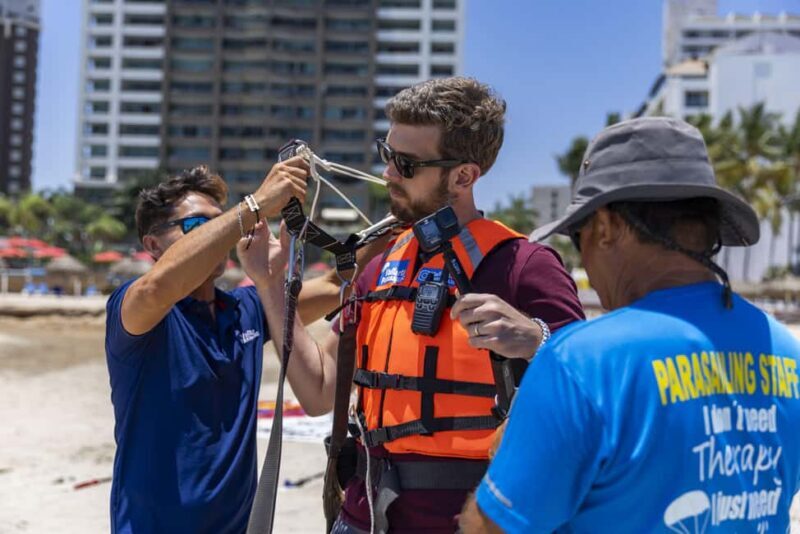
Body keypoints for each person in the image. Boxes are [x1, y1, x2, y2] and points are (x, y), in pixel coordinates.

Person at [241, 77, 584, 533]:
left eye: (405, 164)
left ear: (464, 176)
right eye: (388, 155)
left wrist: (537, 339)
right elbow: (318, 390)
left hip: (471, 520)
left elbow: (590, 387)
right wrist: (270, 284)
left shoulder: (525, 265)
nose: (388, 174)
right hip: (363, 513)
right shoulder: (380, 266)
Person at [459, 117, 800, 533]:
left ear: (604, 228)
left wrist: (509, 453)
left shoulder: (582, 362)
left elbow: (490, 527)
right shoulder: (785, 351)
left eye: (578, 236)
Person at [105, 162, 382, 533]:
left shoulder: (245, 308)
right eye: (197, 225)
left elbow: (337, 285)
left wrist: (408, 214)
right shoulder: (137, 310)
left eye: (219, 222)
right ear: (153, 245)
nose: (219, 235)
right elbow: (157, 287)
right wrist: (256, 203)